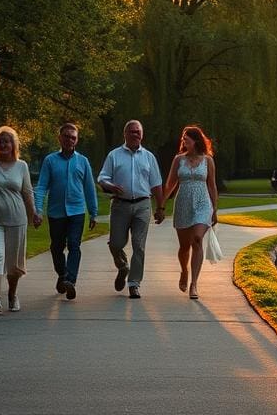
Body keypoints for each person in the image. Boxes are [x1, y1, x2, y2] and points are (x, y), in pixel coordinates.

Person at [0, 126, 42, 314]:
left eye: (7, 141)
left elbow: (27, 192)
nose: (3, 144)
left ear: (13, 145)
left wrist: (34, 213)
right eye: (0, 141)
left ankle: (12, 293)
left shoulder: (22, 166)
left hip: (17, 219)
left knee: (13, 263)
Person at [97, 119, 165, 299]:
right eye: (132, 131)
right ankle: (122, 267)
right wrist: (111, 186)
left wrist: (160, 207)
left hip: (142, 205)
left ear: (142, 135)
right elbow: (102, 178)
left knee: (139, 246)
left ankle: (134, 283)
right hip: (120, 205)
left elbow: (157, 184)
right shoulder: (114, 155)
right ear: (125, 134)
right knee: (116, 244)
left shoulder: (148, 157)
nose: (135, 134)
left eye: (138, 132)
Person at [34, 123, 99, 301]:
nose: (69, 140)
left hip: (77, 211)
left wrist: (93, 212)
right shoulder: (50, 160)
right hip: (56, 213)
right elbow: (41, 187)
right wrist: (38, 210)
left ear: (77, 140)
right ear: (60, 138)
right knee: (56, 247)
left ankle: (70, 280)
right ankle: (62, 274)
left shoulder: (82, 161)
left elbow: (89, 188)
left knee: (74, 245)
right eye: (66, 136)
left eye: (73, 137)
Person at [161, 125, 218, 300]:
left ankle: (194, 284)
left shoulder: (208, 160)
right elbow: (170, 184)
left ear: (196, 141)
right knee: (184, 246)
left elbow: (212, 185)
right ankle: (184, 271)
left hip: (202, 203)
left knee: (197, 239)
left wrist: (214, 209)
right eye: (183, 139)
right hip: (183, 203)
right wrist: (161, 205)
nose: (184, 141)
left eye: (187, 138)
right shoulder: (179, 160)